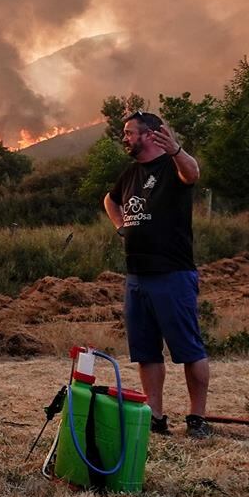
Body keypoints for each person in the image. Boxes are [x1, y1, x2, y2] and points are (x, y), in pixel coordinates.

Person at [103, 110, 209, 437]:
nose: (125, 138)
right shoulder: (131, 172)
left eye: (130, 132)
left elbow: (193, 174)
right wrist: (121, 225)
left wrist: (176, 149)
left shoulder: (172, 166)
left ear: (150, 135)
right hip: (137, 276)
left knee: (188, 349)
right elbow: (110, 199)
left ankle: (197, 418)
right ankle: (156, 416)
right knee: (146, 352)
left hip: (172, 274)